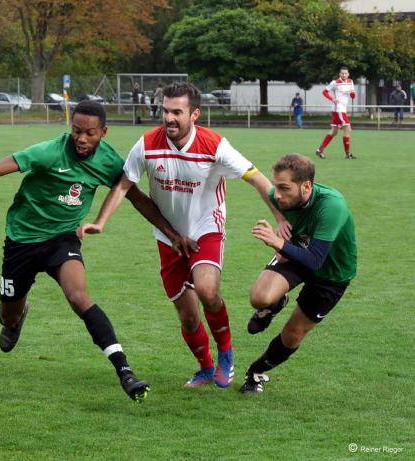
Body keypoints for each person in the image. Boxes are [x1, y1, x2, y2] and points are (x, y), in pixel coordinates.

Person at [0, 101, 192, 402]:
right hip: (21, 241)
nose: (81, 139)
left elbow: (136, 198)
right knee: (8, 316)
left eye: (90, 133)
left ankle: (125, 371)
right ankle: (16, 317)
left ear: (103, 132)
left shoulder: (109, 162)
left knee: (79, 296)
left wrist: (173, 234)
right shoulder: (49, 152)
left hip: (62, 240)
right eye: (76, 131)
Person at [78, 83, 290, 389]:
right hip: (168, 237)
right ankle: (205, 367)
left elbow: (257, 179)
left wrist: (280, 216)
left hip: (207, 228)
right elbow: (124, 185)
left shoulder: (214, 145)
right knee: (188, 317)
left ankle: (226, 354)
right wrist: (100, 222)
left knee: (206, 291)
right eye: (165, 111)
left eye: (177, 112)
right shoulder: (148, 143)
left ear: (194, 114)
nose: (169, 118)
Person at [240, 154, 357, 394]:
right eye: (277, 186)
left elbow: (315, 260)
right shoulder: (279, 196)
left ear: (306, 186)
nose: (278, 195)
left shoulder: (332, 205)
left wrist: (277, 243)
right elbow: (266, 189)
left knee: (293, 335)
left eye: (285, 188)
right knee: (260, 297)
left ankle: (256, 371)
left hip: (331, 274)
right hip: (296, 253)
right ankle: (274, 303)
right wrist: (279, 217)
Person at [315, 66, 356, 160]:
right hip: (338, 109)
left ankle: (320, 150)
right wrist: (332, 99)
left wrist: (353, 94)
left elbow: (352, 96)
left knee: (334, 132)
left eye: (346, 73)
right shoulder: (335, 83)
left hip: (341, 110)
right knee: (347, 129)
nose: (344, 75)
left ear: (348, 74)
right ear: (339, 74)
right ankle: (348, 154)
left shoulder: (350, 82)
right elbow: (325, 92)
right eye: (342, 73)